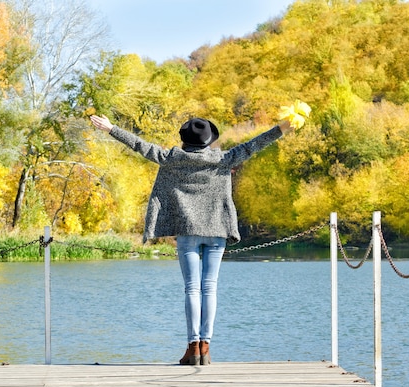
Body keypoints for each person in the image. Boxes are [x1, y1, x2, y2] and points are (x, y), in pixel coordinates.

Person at [90, 114, 293, 365]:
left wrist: (112, 129)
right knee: (210, 287)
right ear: (209, 141)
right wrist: (281, 129)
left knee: (192, 289)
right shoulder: (223, 158)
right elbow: (254, 144)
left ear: (185, 140)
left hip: (187, 233)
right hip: (217, 231)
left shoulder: (173, 157)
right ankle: (205, 347)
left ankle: (193, 346)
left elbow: (140, 146)